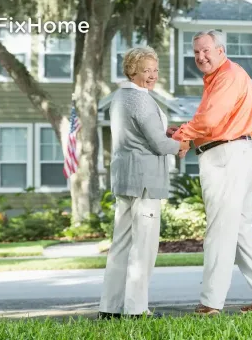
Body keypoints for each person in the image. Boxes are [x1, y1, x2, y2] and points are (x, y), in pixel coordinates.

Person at [168, 29, 252, 315]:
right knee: (241, 230)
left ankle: (210, 303)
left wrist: (182, 136)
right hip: (237, 151)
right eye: (196, 52)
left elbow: (209, 119)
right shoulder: (230, 76)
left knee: (219, 229)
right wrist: (188, 133)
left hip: (225, 156)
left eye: (206, 50)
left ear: (220, 50)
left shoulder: (227, 75)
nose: (200, 56)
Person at [98, 45, 190, 319]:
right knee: (144, 246)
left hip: (126, 180)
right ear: (132, 70)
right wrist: (181, 144)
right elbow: (160, 144)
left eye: (155, 70)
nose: (152, 76)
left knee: (121, 245)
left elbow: (140, 134)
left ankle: (110, 308)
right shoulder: (140, 99)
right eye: (146, 70)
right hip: (144, 182)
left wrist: (166, 134)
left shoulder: (120, 97)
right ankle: (136, 310)